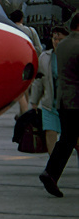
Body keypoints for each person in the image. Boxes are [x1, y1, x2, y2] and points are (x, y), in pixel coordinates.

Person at [39, 13, 79, 198]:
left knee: (67, 139)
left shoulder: (62, 45)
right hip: (76, 101)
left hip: (64, 100)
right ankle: (50, 173)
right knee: (69, 140)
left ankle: (51, 173)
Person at [33, 26, 69, 155]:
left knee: (74, 138)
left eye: (60, 39)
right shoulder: (45, 57)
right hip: (50, 104)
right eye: (55, 39)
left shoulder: (73, 55)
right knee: (50, 133)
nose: (57, 42)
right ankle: (53, 165)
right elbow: (39, 80)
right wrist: (34, 101)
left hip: (69, 105)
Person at [10, 11, 41, 116]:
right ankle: (23, 112)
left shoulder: (9, 30)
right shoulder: (31, 31)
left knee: (19, 90)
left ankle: (24, 112)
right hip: (28, 63)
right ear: (22, 19)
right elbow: (39, 48)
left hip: (14, 63)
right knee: (25, 88)